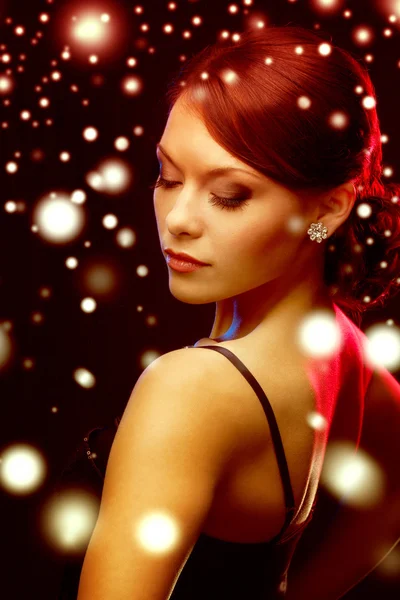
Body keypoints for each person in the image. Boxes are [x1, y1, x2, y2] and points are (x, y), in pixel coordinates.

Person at [55, 24, 400, 599]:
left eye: (228, 194)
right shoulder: (344, 348)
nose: (179, 218)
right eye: (167, 176)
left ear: (332, 207)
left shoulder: (192, 389)